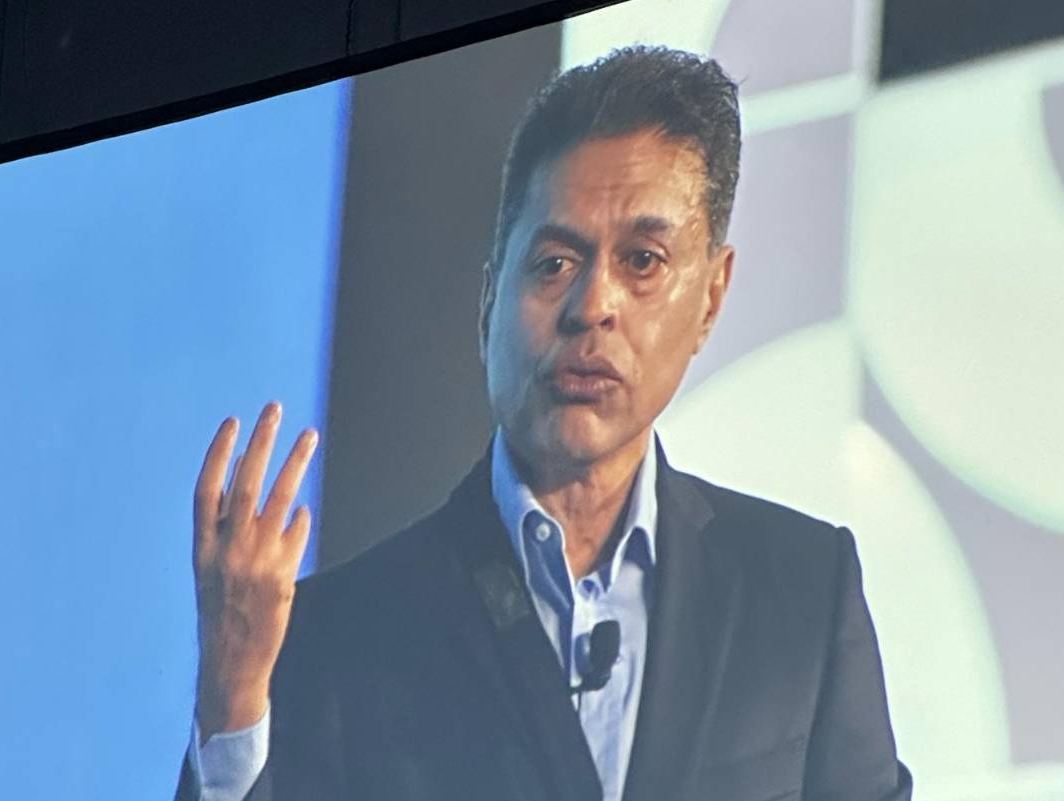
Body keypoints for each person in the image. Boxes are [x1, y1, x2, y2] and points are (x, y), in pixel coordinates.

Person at [175, 46, 913, 801]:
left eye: (643, 261)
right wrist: (231, 706)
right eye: (555, 262)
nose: (592, 306)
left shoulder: (804, 591)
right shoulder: (338, 633)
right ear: (489, 300)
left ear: (711, 298)